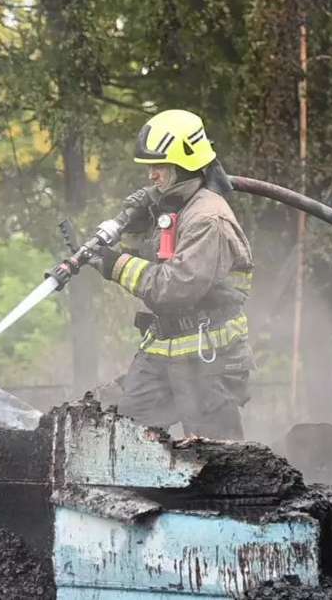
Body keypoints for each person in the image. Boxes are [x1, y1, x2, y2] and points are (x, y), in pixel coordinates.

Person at [89, 109, 255, 439]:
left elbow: (175, 287)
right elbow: (158, 261)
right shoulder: (175, 208)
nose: (151, 176)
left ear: (185, 164)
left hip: (207, 359)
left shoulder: (208, 218)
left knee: (218, 462)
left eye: (159, 166)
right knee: (125, 436)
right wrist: (128, 239)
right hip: (163, 351)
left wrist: (116, 265)